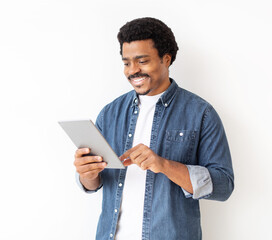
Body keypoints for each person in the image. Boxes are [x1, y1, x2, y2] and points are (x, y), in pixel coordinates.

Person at [73, 17, 234, 240]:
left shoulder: (201, 113)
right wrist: (86, 174)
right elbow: (94, 184)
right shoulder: (109, 114)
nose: (133, 71)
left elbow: (223, 186)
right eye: (126, 63)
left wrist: (163, 165)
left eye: (142, 61)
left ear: (166, 59)